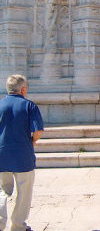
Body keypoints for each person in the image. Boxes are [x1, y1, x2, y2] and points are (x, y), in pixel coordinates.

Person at [0, 75, 44, 231]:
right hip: (23, 155)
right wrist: (32, 141)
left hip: (2, 155)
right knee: (24, 193)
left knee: (3, 191)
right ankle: (18, 226)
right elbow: (37, 130)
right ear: (23, 89)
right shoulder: (29, 106)